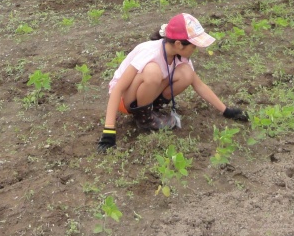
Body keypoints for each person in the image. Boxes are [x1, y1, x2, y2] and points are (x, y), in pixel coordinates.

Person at [97, 13, 249, 152]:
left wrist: (226, 110)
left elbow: (199, 85)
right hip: (125, 100)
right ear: (178, 44)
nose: (195, 49)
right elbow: (118, 89)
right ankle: (145, 119)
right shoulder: (150, 52)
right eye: (193, 46)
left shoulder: (180, 57)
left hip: (146, 93)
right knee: (152, 72)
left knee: (187, 74)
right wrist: (109, 131)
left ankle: (152, 110)